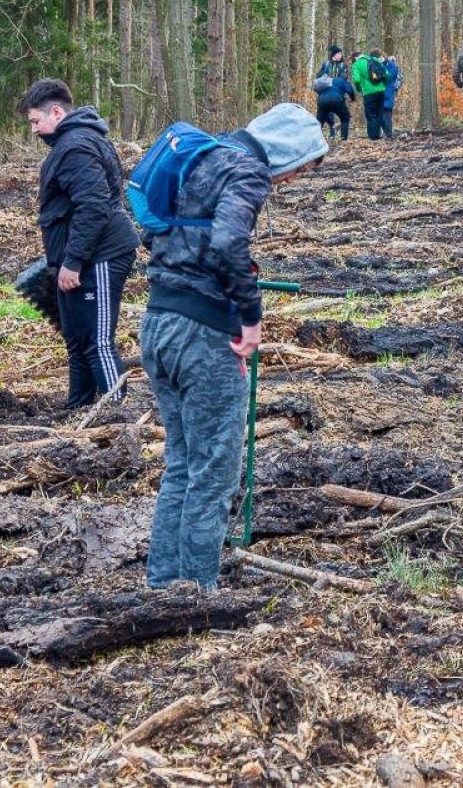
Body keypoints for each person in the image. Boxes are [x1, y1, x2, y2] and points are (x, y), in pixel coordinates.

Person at [142, 103, 327, 591]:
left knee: (181, 463)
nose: (291, 181)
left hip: (157, 322)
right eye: (298, 169)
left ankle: (163, 587)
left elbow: (155, 232)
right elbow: (227, 243)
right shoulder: (246, 171)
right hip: (202, 336)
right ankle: (198, 595)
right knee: (213, 472)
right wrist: (250, 319)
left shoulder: (203, 158)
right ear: (287, 152)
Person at [23, 79, 140, 408]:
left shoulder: (76, 146)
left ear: (56, 112)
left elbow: (93, 205)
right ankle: (78, 409)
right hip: (78, 256)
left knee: (97, 341)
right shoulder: (73, 142)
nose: (34, 130)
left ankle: (117, 415)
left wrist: (73, 261)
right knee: (76, 339)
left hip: (101, 254)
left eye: (36, 121)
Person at [313, 48, 357, 141]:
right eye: (339, 53)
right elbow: (318, 78)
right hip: (328, 93)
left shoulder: (343, 65)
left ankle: (333, 134)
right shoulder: (326, 64)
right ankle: (330, 135)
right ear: (334, 55)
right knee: (328, 116)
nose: (341, 55)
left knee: (327, 115)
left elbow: (345, 78)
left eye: (341, 53)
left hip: (337, 92)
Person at [352, 47, 389, 139]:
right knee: (379, 113)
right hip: (381, 91)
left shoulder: (357, 64)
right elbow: (387, 74)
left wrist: (359, 89)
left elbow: (356, 79)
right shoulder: (373, 60)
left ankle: (373, 137)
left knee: (371, 114)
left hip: (368, 93)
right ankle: (379, 134)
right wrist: (383, 84)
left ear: (356, 58)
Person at [380, 54, 403, 139]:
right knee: (386, 114)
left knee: (387, 114)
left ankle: (388, 133)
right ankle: (387, 133)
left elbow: (399, 80)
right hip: (388, 93)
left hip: (389, 93)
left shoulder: (394, 69)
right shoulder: (390, 68)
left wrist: (394, 87)